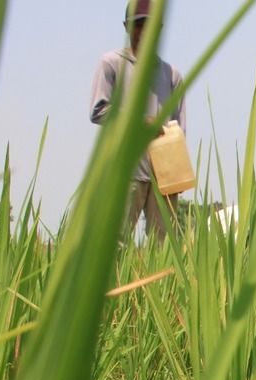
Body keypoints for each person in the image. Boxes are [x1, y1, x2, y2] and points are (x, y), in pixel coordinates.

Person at [90, 0, 185, 242]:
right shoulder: (111, 64)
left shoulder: (171, 75)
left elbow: (178, 130)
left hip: (163, 176)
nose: (144, 31)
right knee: (114, 243)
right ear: (127, 27)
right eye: (138, 25)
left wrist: (179, 173)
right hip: (125, 171)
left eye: (150, 26)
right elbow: (98, 110)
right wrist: (140, 121)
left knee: (163, 246)